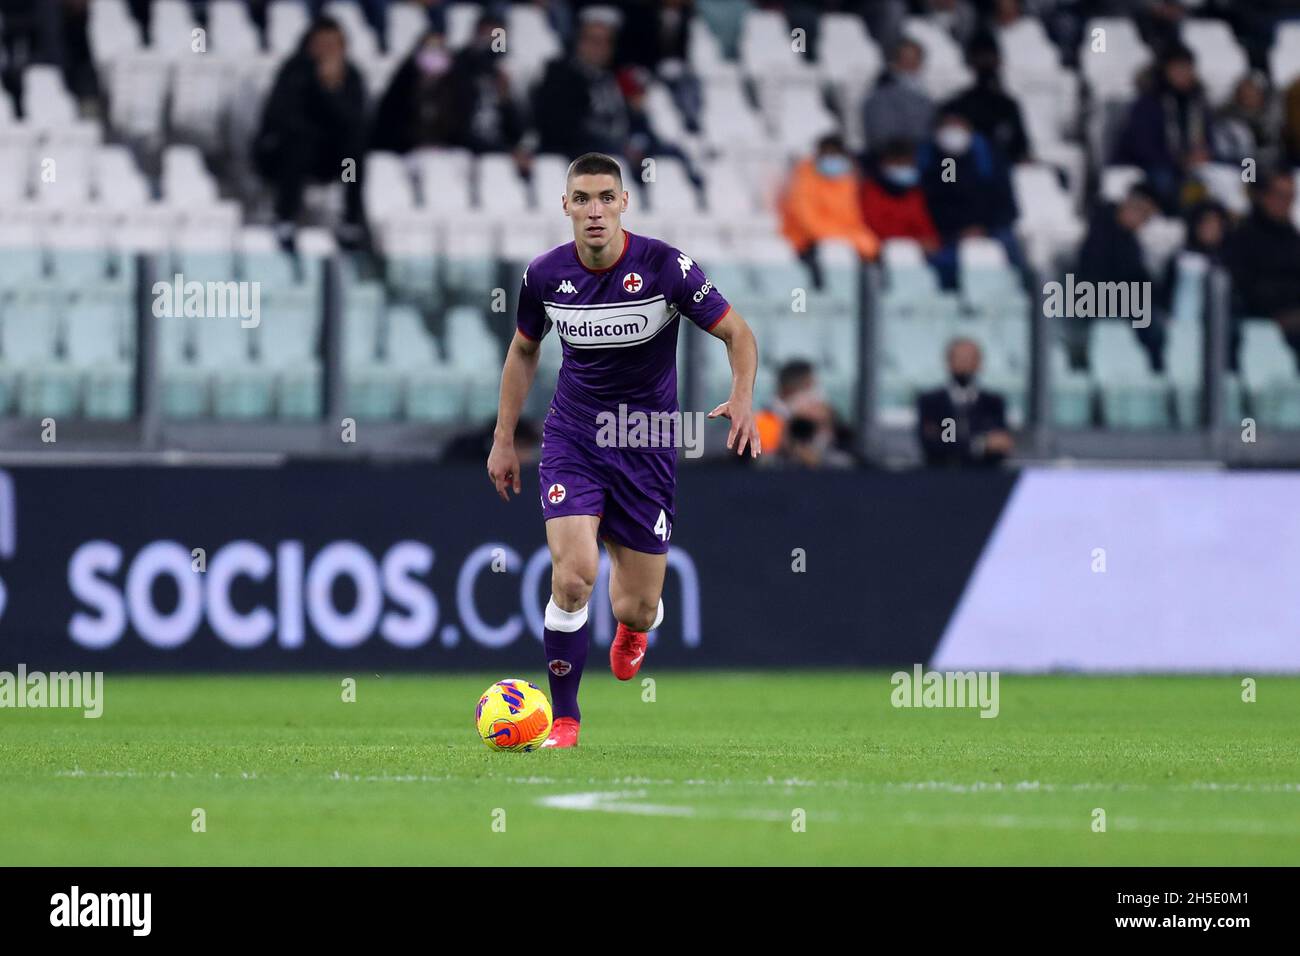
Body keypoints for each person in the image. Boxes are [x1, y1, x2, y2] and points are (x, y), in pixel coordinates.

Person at [486, 152, 761, 748]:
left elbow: (738, 333)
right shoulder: (543, 276)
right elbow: (524, 350)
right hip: (574, 437)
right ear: (565, 206)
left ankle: (635, 630)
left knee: (637, 607)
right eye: (582, 199)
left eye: (606, 198)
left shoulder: (665, 268)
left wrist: (742, 398)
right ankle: (564, 719)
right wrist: (504, 438)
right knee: (575, 577)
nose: (594, 211)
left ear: (623, 204)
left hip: (646, 443)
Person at [253, 17, 368, 250]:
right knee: (300, 144)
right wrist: (318, 85)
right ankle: (285, 218)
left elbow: (353, 121)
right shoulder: (294, 70)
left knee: (353, 155)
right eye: (322, 43)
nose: (327, 49)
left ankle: (350, 221)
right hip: (285, 155)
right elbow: (280, 117)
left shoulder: (350, 75)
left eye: (333, 44)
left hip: (332, 159)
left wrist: (330, 90)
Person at [919, 109, 1020, 286]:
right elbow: (942, 200)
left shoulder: (988, 158)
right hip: (951, 233)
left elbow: (1005, 205)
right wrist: (959, 230)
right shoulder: (944, 163)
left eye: (957, 125)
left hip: (990, 227)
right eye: (947, 126)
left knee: (1008, 245)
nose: (952, 132)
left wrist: (983, 228)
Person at [1112, 42, 1213, 213]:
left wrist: (1205, 152)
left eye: (1187, 68)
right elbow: (1142, 146)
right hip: (1149, 165)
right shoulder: (1148, 103)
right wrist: (1180, 160)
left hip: (1186, 164)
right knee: (1165, 180)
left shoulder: (1198, 102)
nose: (1184, 74)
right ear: (1165, 70)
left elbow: (1208, 135)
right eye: (1178, 68)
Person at [1075, 181, 1161, 367]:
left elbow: (1139, 276)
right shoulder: (1101, 232)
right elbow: (1095, 275)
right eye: (1143, 216)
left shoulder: (1129, 239)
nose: (1143, 223)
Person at [779, 134, 881, 286]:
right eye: (827, 154)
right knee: (832, 256)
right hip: (807, 239)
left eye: (835, 154)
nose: (831, 159)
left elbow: (858, 218)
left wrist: (861, 240)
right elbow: (808, 221)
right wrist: (848, 237)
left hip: (847, 237)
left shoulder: (852, 179)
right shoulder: (804, 178)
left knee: (874, 252)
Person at [1225, 168, 1300, 365]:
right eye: (1280, 195)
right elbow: (1244, 286)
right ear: (1263, 196)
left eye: (1291, 196)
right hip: (1262, 314)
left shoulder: (1293, 237)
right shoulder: (1243, 236)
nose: (1286, 203)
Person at [533, 7, 630, 159]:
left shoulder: (611, 79)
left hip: (615, 148)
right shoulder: (560, 74)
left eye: (607, 42)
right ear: (579, 41)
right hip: (575, 155)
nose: (601, 48)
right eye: (594, 41)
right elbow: (557, 127)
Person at [917, 338, 1013, 467]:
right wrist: (981, 445)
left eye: (969, 359)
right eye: (959, 359)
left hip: (984, 479)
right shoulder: (932, 402)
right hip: (941, 478)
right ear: (948, 362)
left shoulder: (992, 403)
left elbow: (1000, 445)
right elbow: (936, 446)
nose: (964, 365)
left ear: (979, 363)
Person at [943, 30, 1030, 165]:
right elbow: (946, 161)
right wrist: (950, 181)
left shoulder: (1009, 107)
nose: (985, 62)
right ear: (970, 61)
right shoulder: (954, 107)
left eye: (989, 57)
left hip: (999, 179)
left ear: (998, 60)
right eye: (980, 57)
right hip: (962, 179)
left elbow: (1022, 152)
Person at [860, 139, 941, 253]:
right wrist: (914, 242)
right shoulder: (871, 191)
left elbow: (924, 226)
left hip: (915, 251)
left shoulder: (914, 194)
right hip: (884, 251)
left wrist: (929, 241)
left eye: (907, 164)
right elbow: (874, 227)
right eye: (899, 163)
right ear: (884, 165)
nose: (904, 168)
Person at [862, 38, 935, 153]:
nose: (910, 66)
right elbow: (881, 136)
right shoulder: (879, 98)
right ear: (894, 63)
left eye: (915, 60)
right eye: (905, 60)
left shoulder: (925, 96)